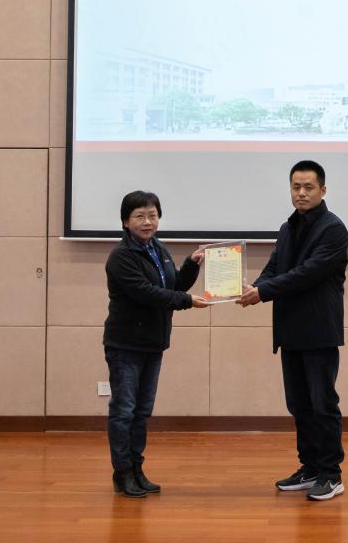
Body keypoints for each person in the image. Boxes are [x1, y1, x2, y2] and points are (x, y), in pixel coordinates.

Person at [236, 160, 348, 501]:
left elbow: (308, 273)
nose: (301, 193)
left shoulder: (333, 229)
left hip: (319, 331)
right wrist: (254, 287)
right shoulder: (288, 227)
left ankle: (331, 474)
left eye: (308, 187)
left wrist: (263, 292)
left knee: (322, 404)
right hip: (291, 331)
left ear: (323, 190)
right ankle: (310, 467)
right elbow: (275, 266)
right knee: (299, 404)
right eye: (296, 187)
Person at [104, 190, 209, 498]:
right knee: (124, 411)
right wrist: (187, 301)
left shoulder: (157, 248)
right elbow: (147, 293)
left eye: (152, 215)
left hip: (152, 343)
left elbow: (174, 283)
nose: (147, 222)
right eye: (140, 216)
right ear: (125, 222)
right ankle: (122, 473)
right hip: (126, 345)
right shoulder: (121, 256)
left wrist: (191, 264)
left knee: (141, 412)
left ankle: (137, 470)